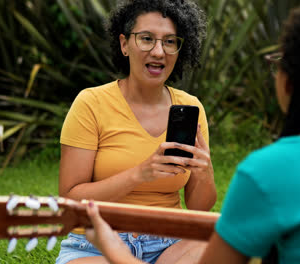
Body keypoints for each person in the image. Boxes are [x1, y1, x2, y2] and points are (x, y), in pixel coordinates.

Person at [82, 0, 300, 263]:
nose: (158, 51)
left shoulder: (268, 172)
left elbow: (203, 212)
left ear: (290, 80)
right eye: (147, 39)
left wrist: (114, 250)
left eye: (278, 60)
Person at [56, 1, 216, 264]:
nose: (158, 51)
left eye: (170, 42)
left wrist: (204, 171)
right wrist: (140, 173)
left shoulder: (191, 108)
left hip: (171, 243)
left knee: (218, 251)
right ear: (124, 44)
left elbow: (200, 207)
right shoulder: (90, 103)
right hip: (97, 244)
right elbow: (71, 200)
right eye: (146, 39)